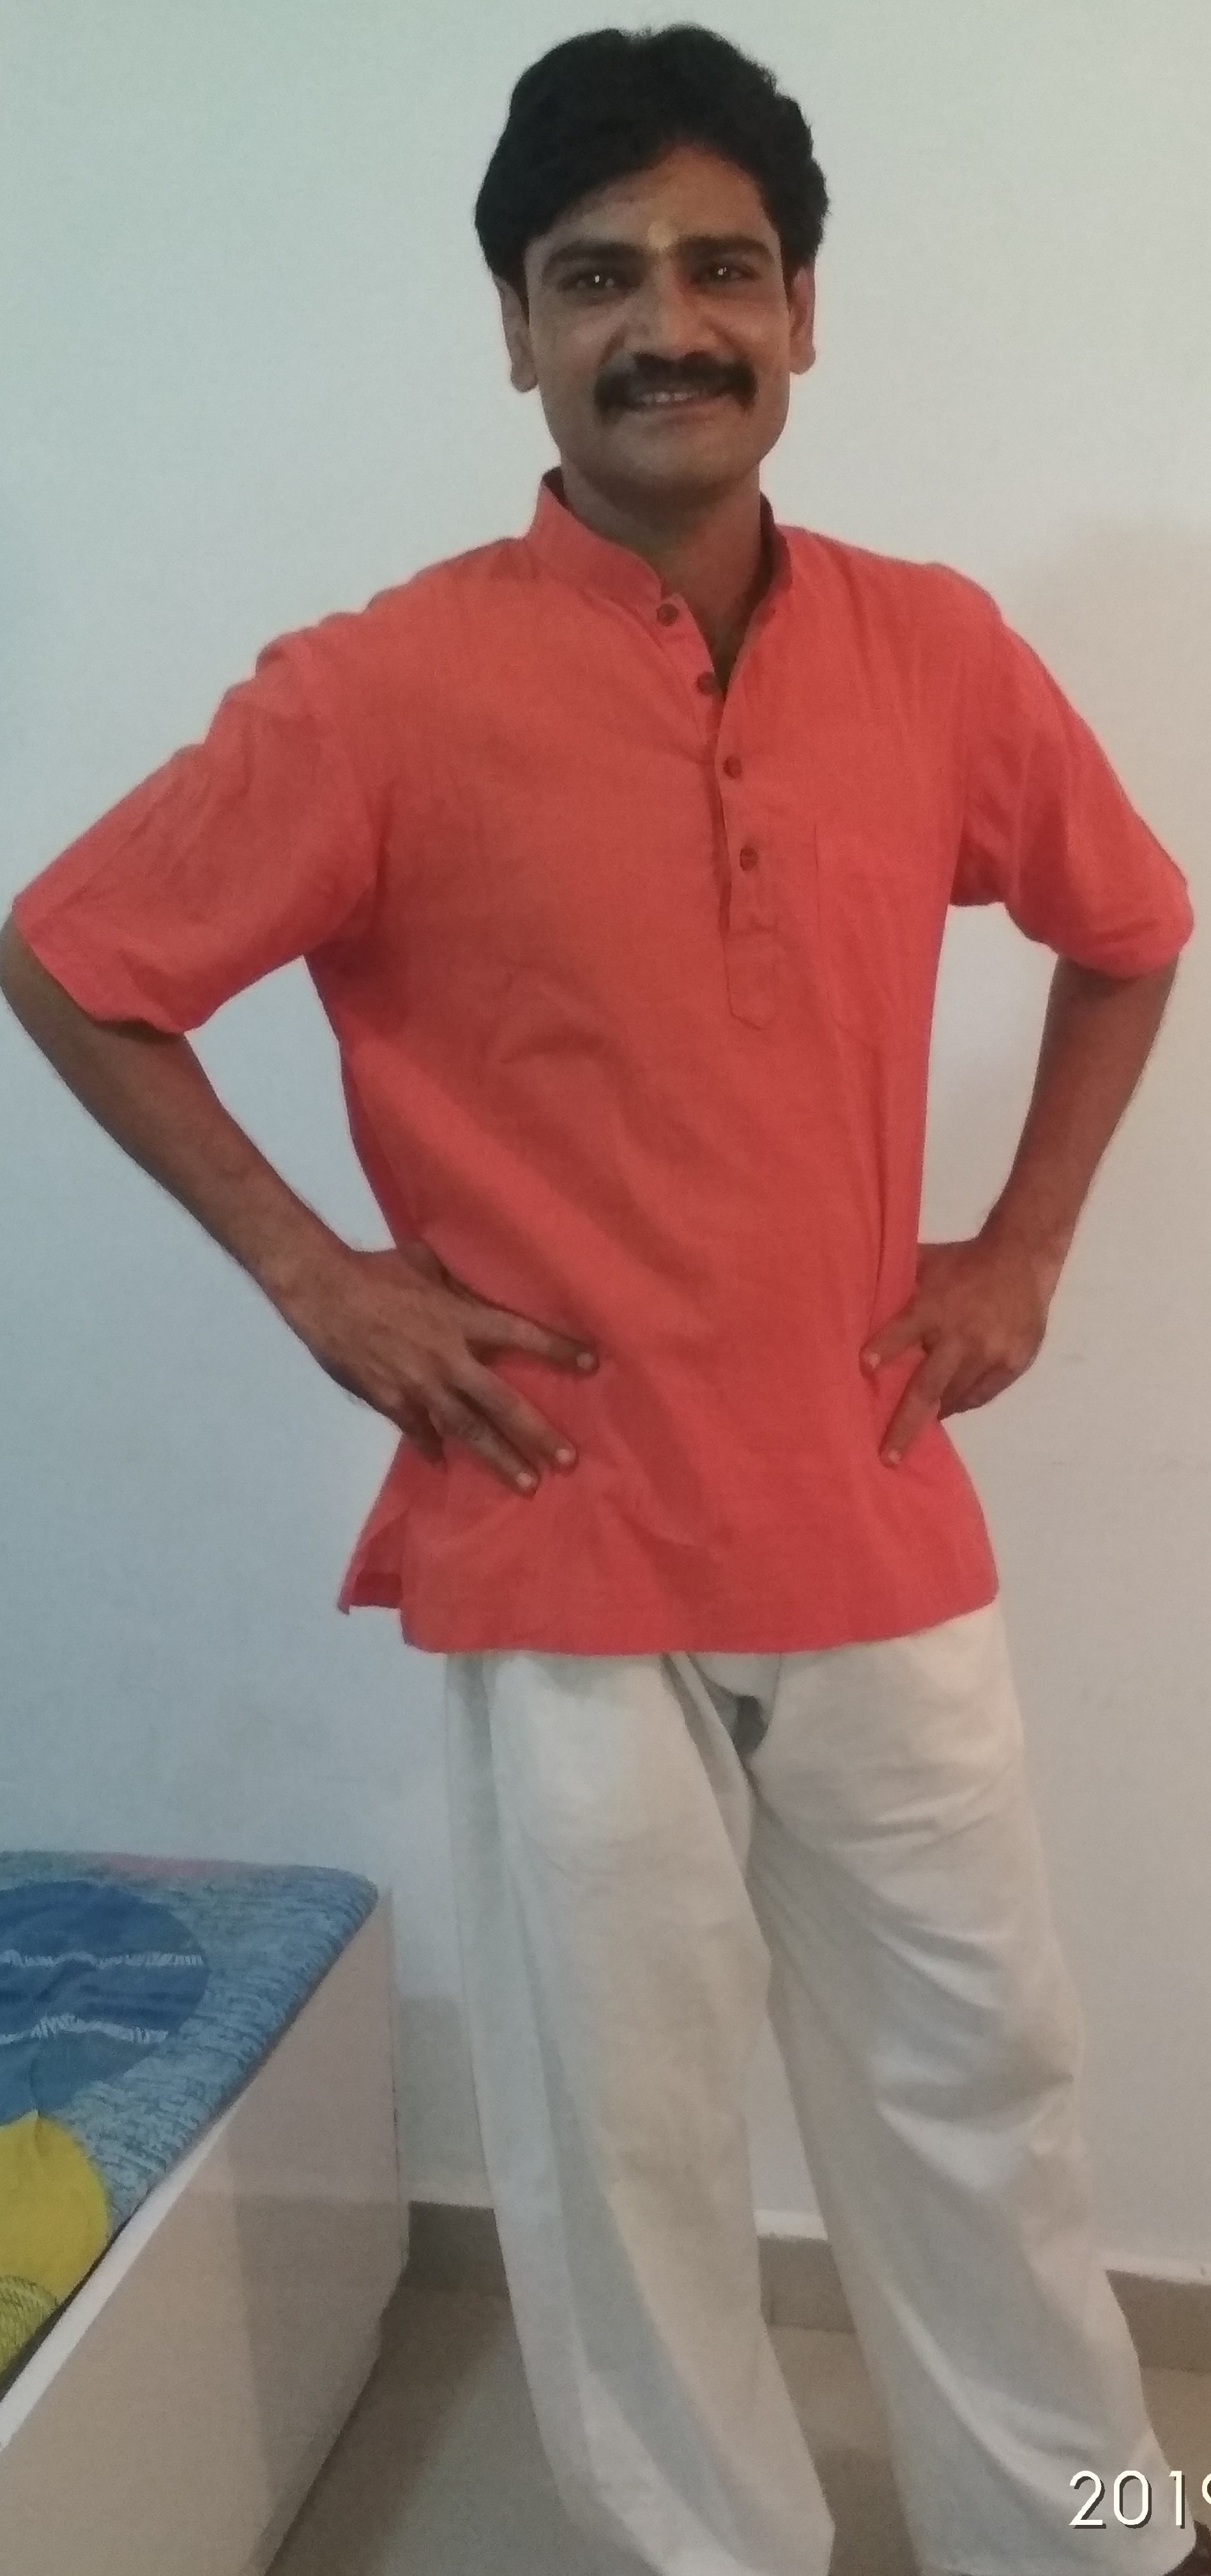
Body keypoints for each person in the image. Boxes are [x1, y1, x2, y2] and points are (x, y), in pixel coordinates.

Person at [1, 24, 1202, 2576]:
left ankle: (1091, 2533)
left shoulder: (938, 653)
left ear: (803, 312)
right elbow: (76, 951)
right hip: (560, 1534)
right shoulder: (381, 686)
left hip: (869, 1496)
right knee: (625, 2151)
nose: (670, 324)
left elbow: (1130, 923)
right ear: (519, 331)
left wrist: (1022, 1246)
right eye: (599, 276)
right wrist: (312, 1270)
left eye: (721, 267)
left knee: (989, 2086)